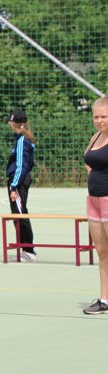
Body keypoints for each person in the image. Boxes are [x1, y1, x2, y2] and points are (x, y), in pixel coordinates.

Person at [83, 96, 108, 315]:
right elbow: (88, 160)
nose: (99, 121)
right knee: (102, 251)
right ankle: (104, 299)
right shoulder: (96, 137)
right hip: (93, 200)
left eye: (104, 117)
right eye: (96, 116)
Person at [6, 109, 37, 262]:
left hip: (18, 181)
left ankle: (28, 251)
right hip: (20, 180)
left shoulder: (22, 141)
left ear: (15, 123)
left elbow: (21, 166)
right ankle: (24, 248)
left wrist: (14, 186)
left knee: (20, 214)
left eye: (10, 121)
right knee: (18, 214)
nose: (9, 123)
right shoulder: (23, 139)